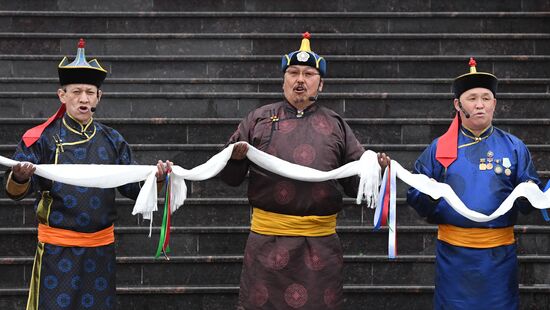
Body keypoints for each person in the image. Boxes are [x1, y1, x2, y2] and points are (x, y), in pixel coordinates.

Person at [219, 32, 389, 309]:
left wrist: (376, 170)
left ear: (320, 84)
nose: (300, 80)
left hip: (319, 245)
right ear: (284, 80)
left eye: (309, 74)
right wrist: (235, 159)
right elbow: (229, 178)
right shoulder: (257, 119)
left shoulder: (336, 125)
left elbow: (355, 186)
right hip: (267, 241)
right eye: (293, 73)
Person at [3, 39, 169, 310]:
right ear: (62, 95)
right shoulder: (41, 138)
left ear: (98, 98)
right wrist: (20, 177)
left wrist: (158, 178)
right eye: (77, 91)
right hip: (57, 250)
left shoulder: (112, 140)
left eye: (90, 92)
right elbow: (13, 191)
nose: (83, 99)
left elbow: (133, 188)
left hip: (101, 249)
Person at [406, 58, 541, 309]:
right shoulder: (439, 148)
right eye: (472, 98)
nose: (480, 105)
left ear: (495, 104)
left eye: (486, 98)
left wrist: (528, 195)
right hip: (454, 256)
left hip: (498, 257)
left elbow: (530, 190)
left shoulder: (513, 147)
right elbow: (415, 192)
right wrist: (431, 194)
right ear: (458, 104)